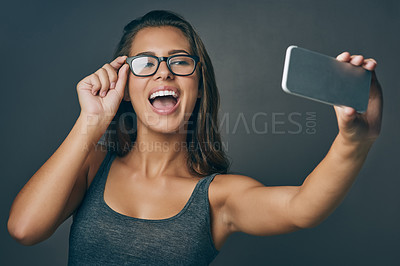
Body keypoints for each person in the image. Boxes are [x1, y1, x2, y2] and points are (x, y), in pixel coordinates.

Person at [7, 10, 382, 265]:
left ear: (198, 84)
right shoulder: (91, 166)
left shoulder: (219, 198)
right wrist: (90, 121)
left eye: (179, 61)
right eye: (145, 63)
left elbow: (302, 208)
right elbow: (24, 229)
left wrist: (355, 141)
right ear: (124, 85)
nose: (163, 74)